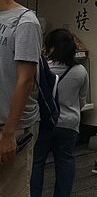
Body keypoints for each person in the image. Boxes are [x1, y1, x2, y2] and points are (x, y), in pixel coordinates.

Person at [0, 0, 42, 197]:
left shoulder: (25, 21)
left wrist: (8, 134)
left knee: (11, 191)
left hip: (11, 126)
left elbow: (26, 81)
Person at [30, 29, 89, 197]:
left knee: (37, 162)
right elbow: (82, 101)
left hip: (44, 122)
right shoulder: (80, 71)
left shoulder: (42, 68)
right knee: (66, 161)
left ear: (51, 48)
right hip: (70, 124)